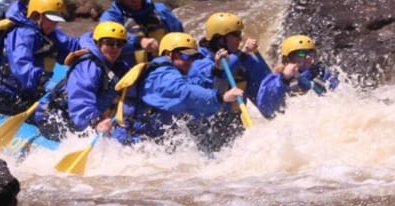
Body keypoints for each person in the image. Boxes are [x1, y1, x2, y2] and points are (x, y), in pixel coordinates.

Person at [114, 32, 244, 143]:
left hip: (151, 141)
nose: (190, 61)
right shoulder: (159, 75)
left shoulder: (177, 74)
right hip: (132, 142)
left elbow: (197, 89)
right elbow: (184, 93)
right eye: (185, 55)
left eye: (194, 57)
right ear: (168, 54)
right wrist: (220, 97)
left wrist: (217, 69)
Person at [0, 0, 80, 137]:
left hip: (28, 95)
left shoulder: (50, 34)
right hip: (5, 96)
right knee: (50, 119)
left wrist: (98, 43)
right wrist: (40, 79)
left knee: (62, 112)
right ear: (36, 16)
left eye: (56, 21)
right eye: (51, 20)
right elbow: (21, 65)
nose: (54, 24)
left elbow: (72, 46)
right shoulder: (22, 34)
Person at [190, 12, 273, 152]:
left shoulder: (244, 60)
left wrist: (282, 80)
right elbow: (214, 77)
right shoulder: (199, 62)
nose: (239, 40)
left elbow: (263, 93)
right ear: (220, 39)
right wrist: (241, 54)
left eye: (240, 35)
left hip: (234, 124)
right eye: (235, 36)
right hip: (206, 127)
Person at [64, 21, 137, 143]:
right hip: (64, 117)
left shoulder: (119, 67)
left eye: (120, 44)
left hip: (91, 119)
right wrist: (95, 121)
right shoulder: (88, 66)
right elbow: (80, 97)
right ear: (97, 43)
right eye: (109, 43)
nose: (115, 48)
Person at [99, 0, 184, 60]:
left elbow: (179, 34)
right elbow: (106, 41)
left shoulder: (160, 10)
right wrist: (139, 41)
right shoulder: (111, 17)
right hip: (131, 71)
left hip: (164, 65)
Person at [257, 34, 339, 117]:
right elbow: (266, 109)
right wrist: (284, 79)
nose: (308, 57)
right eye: (301, 54)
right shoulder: (276, 79)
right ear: (287, 59)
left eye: (311, 53)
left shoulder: (321, 72)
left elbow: (338, 96)